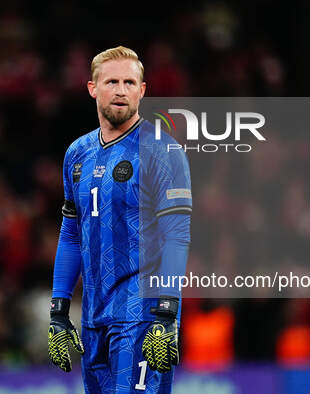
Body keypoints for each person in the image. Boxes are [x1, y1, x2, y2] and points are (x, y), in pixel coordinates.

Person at [48, 46, 192, 393]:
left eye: (130, 82)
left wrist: (166, 312)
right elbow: (71, 234)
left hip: (143, 313)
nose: (121, 89)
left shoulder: (162, 150)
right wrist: (58, 308)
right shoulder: (77, 154)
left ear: (142, 91)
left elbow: (177, 235)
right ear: (92, 88)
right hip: (94, 318)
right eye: (112, 81)